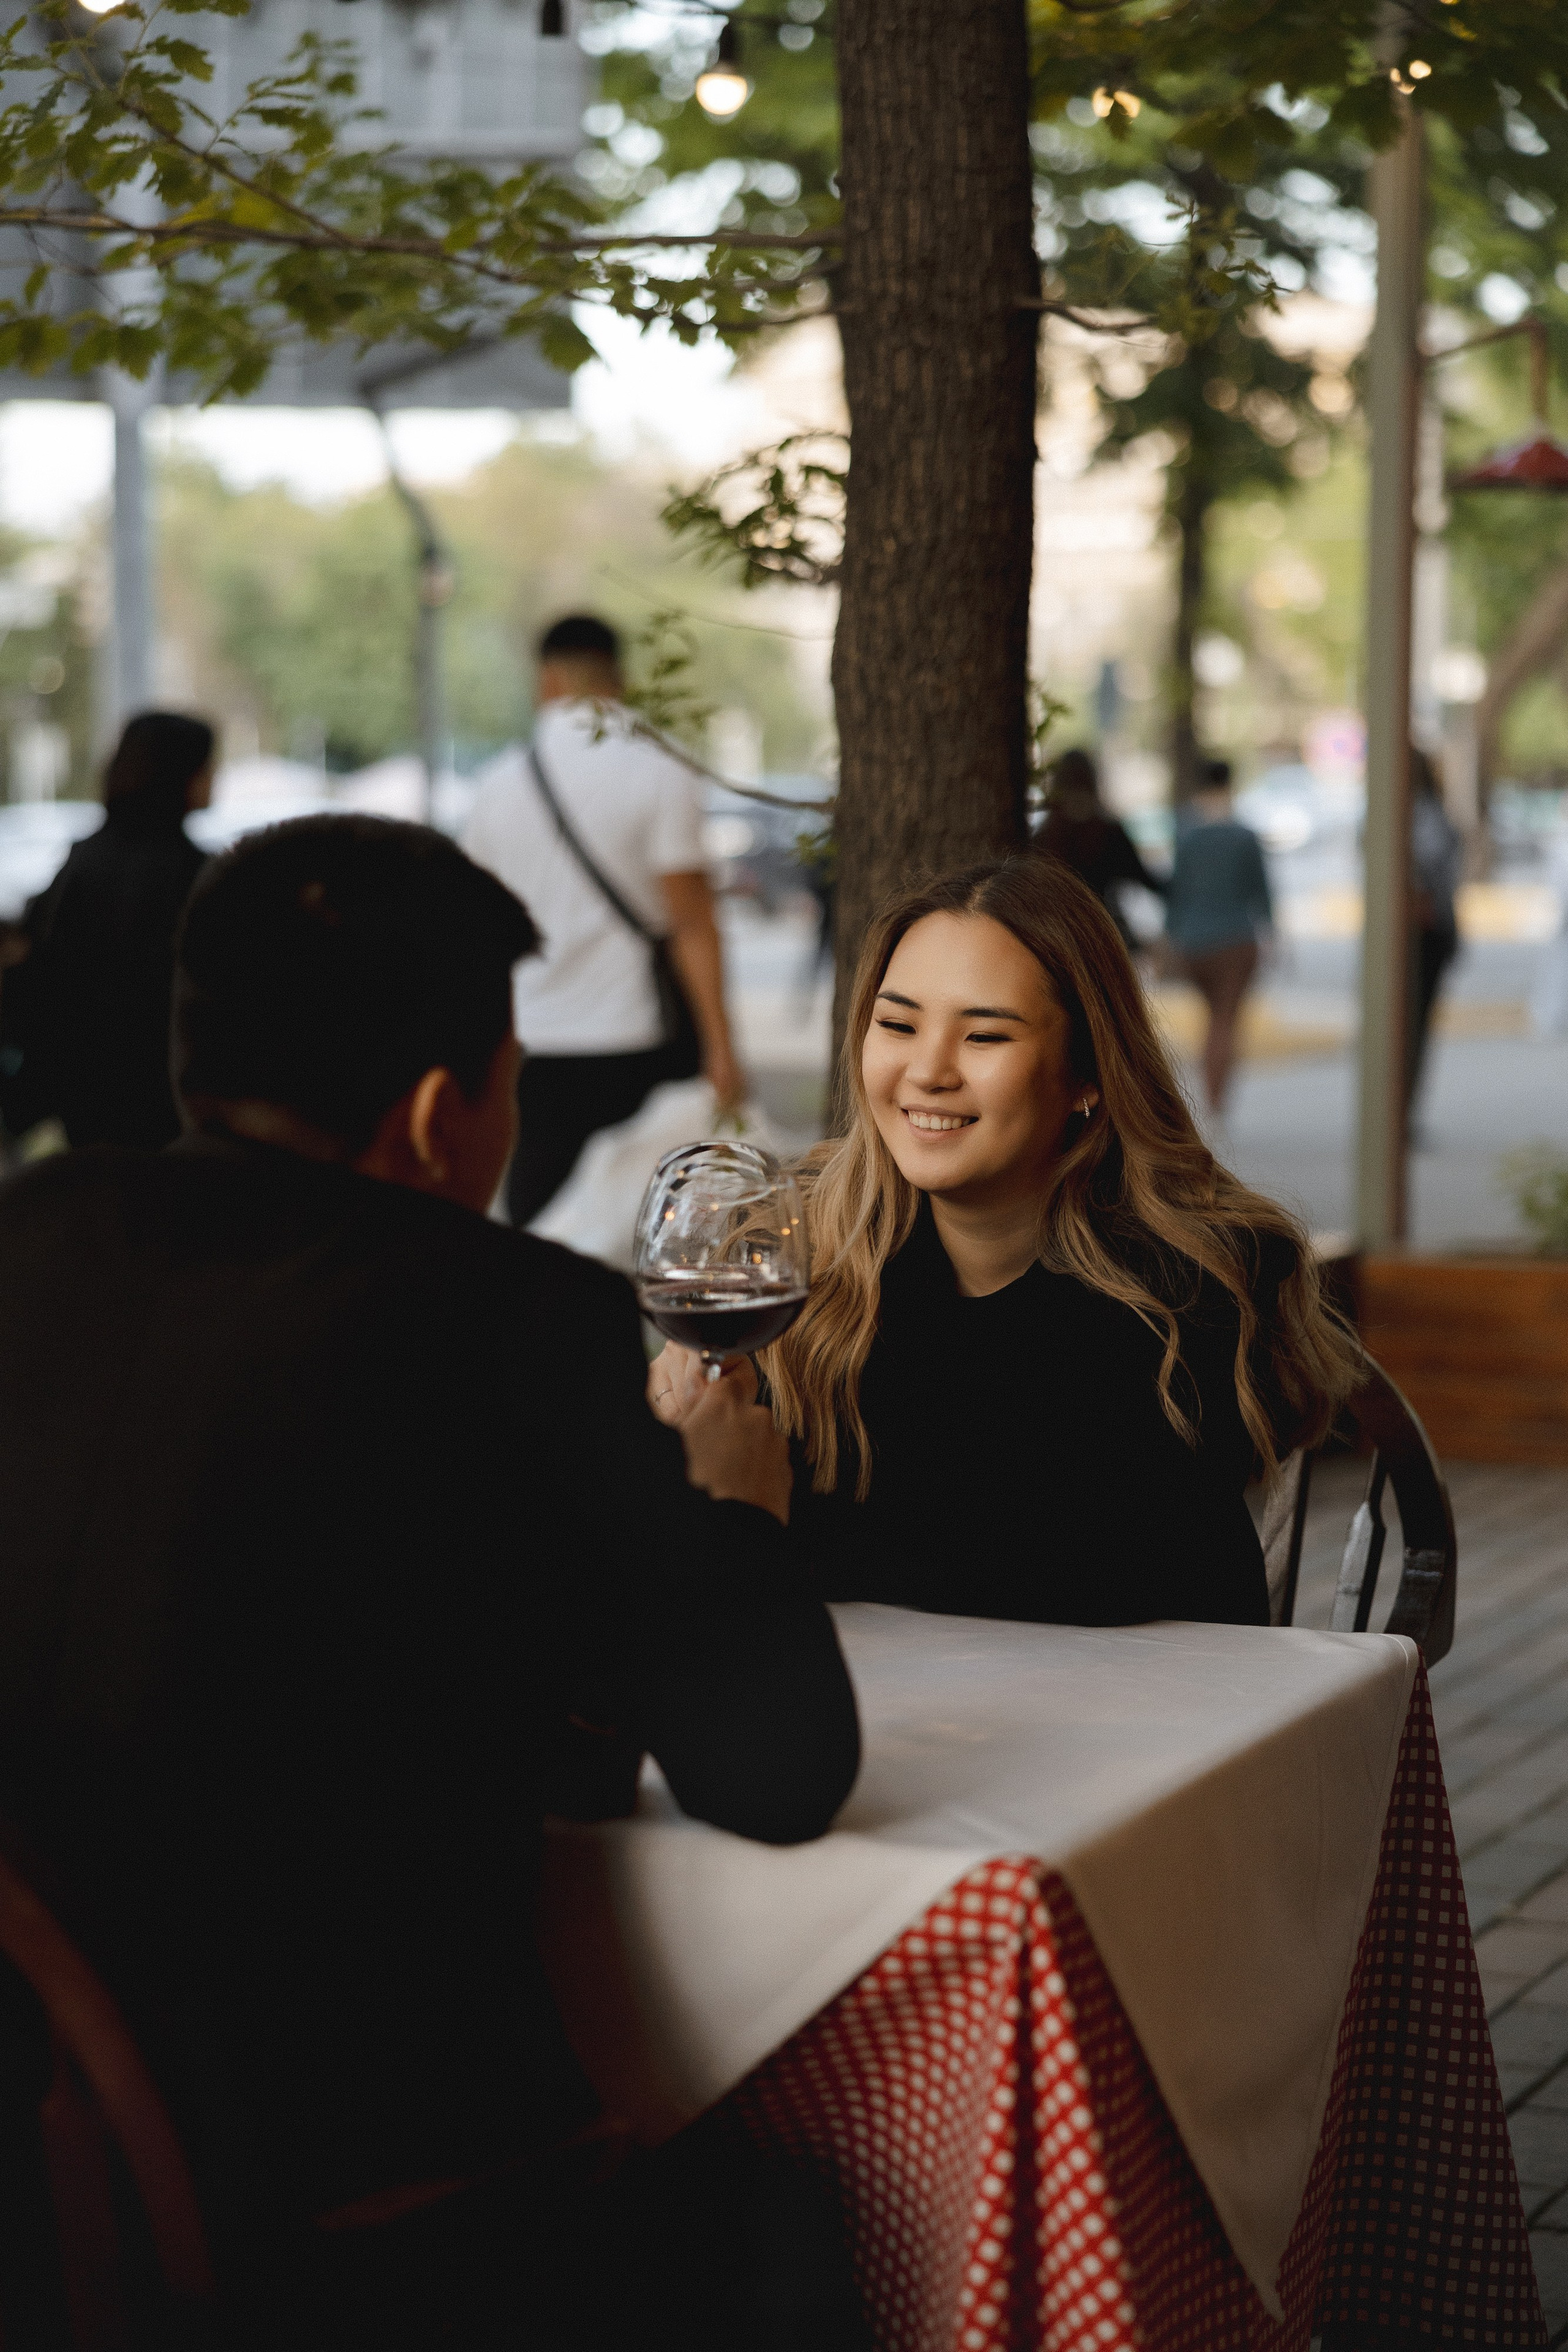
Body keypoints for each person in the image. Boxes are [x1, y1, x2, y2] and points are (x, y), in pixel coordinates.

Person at [0, 815, 862, 2350]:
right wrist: (733, 1506)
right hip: (373, 2222)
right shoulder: (512, 1320)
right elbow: (781, 1771)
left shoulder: (30, 1238)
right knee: (811, 2215)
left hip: (43, 2191)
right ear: (433, 1112)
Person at [653, 856, 1358, 1628]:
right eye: (897, 1025)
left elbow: (1078, 1579)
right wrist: (689, 1417)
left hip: (1136, 1697)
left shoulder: (1194, 1279)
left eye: (984, 1036)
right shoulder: (806, 1257)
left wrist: (751, 1509)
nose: (927, 1071)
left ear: (1086, 1072)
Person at [463, 614, 745, 1227]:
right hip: (639, 1039)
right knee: (650, 1222)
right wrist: (724, 1049)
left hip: (533, 1044)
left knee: (543, 1227)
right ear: (618, 676)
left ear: (547, 679)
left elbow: (477, 933)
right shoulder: (660, 768)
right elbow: (692, 924)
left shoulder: (495, 785)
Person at [4, 709, 213, 1148]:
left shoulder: (84, 863)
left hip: (83, 1091)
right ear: (185, 775)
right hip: (168, 1094)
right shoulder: (195, 875)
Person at [1163, 758, 1273, 1120]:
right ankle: (1216, 1099)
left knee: (1211, 1019)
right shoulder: (1244, 836)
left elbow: (1176, 891)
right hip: (1236, 941)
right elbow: (1262, 892)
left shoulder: (1186, 833)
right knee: (1225, 1022)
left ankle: (1208, 1096)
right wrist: (1272, 936)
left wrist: (1170, 938)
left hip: (1194, 942)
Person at [1033, 745, 1166, 952]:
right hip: (1102, 935)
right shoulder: (1109, 832)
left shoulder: (1044, 837)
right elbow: (1144, 878)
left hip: (1055, 938)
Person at [1408, 746, 1463, 1131]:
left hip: (1424, 935)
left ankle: (1401, 1114)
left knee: (1410, 1028)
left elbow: (1428, 875)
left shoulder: (1420, 816)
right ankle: (1403, 1114)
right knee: (1413, 1029)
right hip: (1428, 933)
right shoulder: (1431, 814)